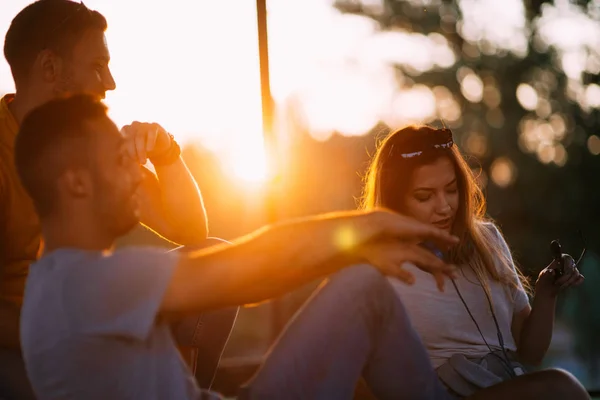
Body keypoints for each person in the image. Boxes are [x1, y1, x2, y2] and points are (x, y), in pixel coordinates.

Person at [15, 94, 464, 399]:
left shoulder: (65, 283)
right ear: (75, 183)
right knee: (366, 290)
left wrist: (351, 251)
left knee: (363, 284)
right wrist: (366, 228)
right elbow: (250, 266)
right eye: (119, 161)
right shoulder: (82, 285)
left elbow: (255, 275)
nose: (136, 174)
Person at [0, 0, 223, 397]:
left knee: (214, 258)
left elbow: (191, 232)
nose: (111, 83)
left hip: (101, 313)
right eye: (98, 66)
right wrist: (74, 330)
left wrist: (166, 154)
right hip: (29, 345)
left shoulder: (94, 144)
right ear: (50, 68)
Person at [360, 125, 589, 399]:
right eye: (425, 196)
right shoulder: (377, 265)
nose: (444, 206)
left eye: (451, 190)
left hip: (504, 384)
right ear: (394, 202)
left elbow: (531, 353)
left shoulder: (488, 240)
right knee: (560, 387)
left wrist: (546, 292)